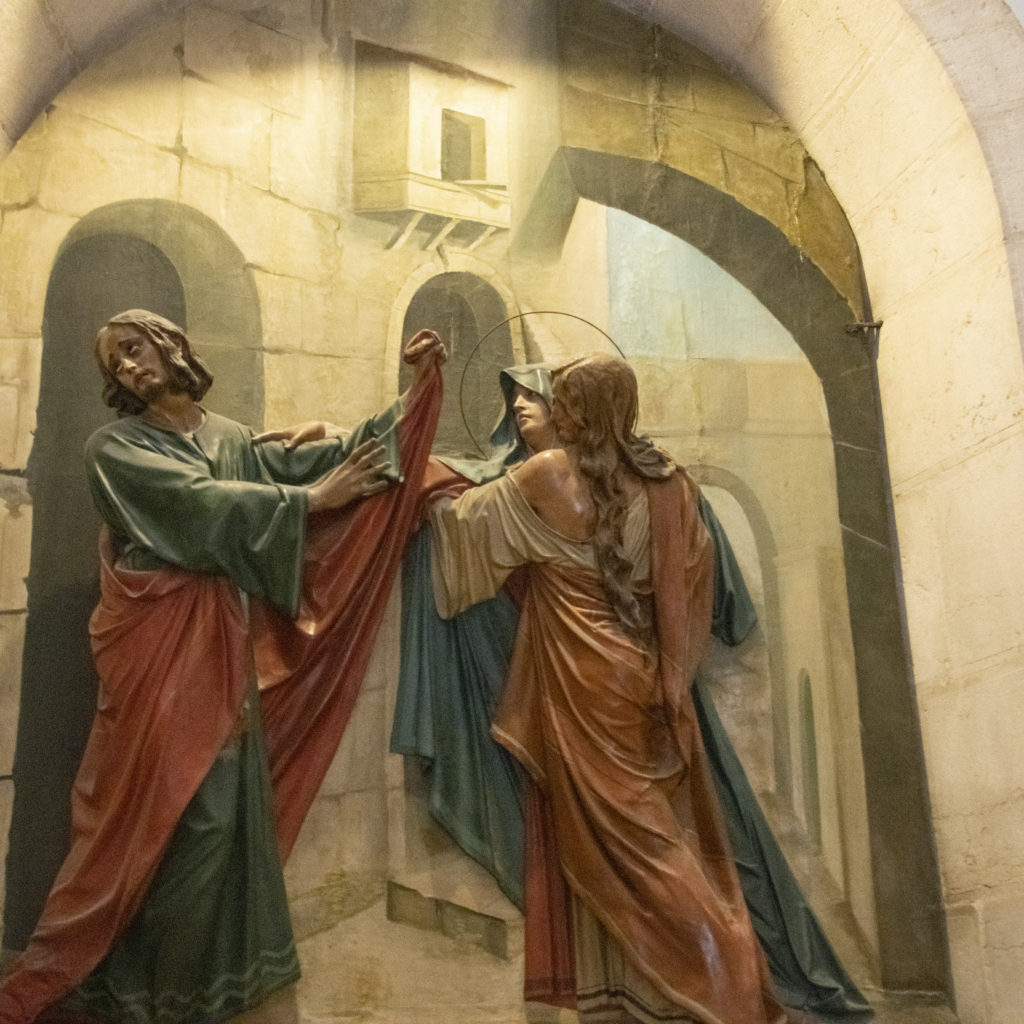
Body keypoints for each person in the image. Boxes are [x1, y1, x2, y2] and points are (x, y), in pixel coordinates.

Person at [0, 310, 445, 1024]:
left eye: (134, 349)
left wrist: (414, 396)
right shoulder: (114, 447)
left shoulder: (232, 437)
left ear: (170, 345)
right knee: (173, 812)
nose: (129, 368)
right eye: (116, 364)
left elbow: (329, 466)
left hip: (221, 644)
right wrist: (308, 500)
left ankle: (197, 985)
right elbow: (195, 504)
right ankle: (144, 987)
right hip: (156, 646)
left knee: (221, 811)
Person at [427, 352, 790, 1024]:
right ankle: (687, 982)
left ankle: (728, 978)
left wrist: (418, 476)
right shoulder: (671, 486)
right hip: (642, 677)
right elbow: (696, 585)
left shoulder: (547, 473)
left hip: (584, 682)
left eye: (564, 401)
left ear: (587, 412)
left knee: (636, 848)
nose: (555, 411)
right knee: (650, 838)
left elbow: (459, 531)